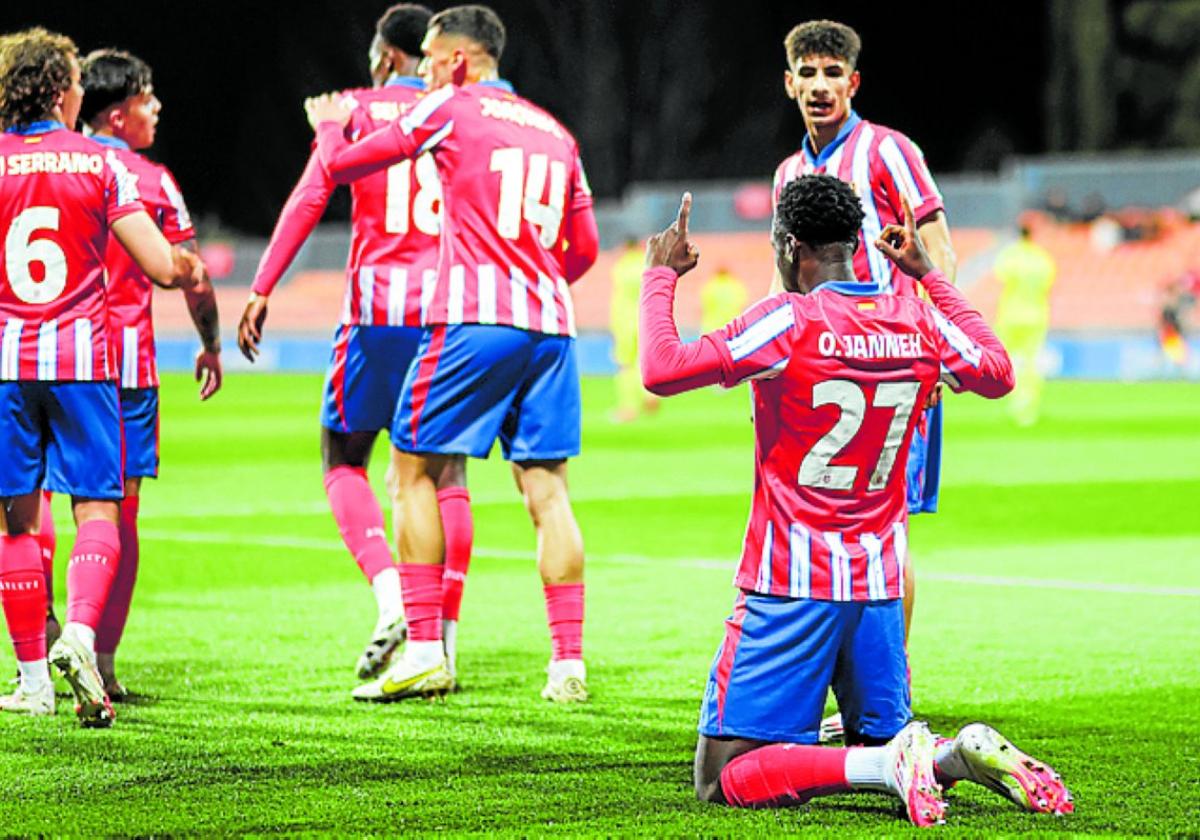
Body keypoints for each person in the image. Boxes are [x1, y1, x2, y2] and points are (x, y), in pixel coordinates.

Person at [639, 175, 1070, 825]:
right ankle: (952, 756)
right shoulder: (917, 319)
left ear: (790, 247)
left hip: (792, 581)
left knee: (722, 775)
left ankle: (889, 766)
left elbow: (662, 368)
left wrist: (660, 277)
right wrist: (929, 275)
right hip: (879, 587)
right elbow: (998, 371)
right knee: (876, 736)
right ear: (856, 244)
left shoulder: (790, 319)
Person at [305, 3, 599, 703]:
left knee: (411, 470)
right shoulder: (557, 133)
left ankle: (427, 650)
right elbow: (582, 249)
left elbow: (348, 166)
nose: (426, 72)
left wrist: (324, 129)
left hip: (474, 318)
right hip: (551, 325)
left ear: (460, 62)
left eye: (433, 61)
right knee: (547, 491)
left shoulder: (450, 108)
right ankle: (567, 666)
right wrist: (535, 284)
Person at [237, 4, 476, 687]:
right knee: (445, 474)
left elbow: (313, 194)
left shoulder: (356, 111)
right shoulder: (462, 112)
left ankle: (392, 598)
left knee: (343, 459)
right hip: (445, 312)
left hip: (375, 314)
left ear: (388, 55)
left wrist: (262, 286)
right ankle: (442, 642)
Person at [0, 28, 202, 725]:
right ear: (60, 90)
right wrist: (188, 268)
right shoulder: (100, 162)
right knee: (97, 510)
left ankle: (33, 681)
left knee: (19, 523)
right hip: (85, 361)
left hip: (6, 361)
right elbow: (158, 265)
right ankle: (82, 638)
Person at [773, 20, 958, 737]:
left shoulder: (889, 151)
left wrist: (936, 344)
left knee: (888, 534)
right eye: (806, 73)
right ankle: (847, 697)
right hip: (817, 378)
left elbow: (935, 247)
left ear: (853, 82)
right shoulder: (790, 174)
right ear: (789, 83)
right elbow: (784, 280)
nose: (819, 85)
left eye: (832, 72)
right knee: (822, 533)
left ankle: (889, 698)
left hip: (890, 370)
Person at [73, 47, 223, 699]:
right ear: (115, 114)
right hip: (122, 367)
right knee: (116, 518)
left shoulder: (23, 165)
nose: (157, 106)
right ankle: (98, 659)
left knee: (23, 512)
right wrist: (211, 343)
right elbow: (187, 272)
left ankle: (36, 655)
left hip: (34, 360)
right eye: (146, 96)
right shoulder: (150, 181)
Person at [993, 222, 1055, 425]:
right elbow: (1048, 287)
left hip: (1010, 315)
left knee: (1010, 360)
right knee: (1032, 362)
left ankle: (1014, 402)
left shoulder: (1011, 256)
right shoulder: (1042, 258)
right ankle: (1029, 404)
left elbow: (1001, 280)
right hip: (1036, 316)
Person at [609, 235, 658, 422]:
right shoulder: (647, 266)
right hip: (645, 320)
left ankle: (627, 408)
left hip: (624, 321)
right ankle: (649, 395)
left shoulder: (620, 267)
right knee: (644, 362)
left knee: (625, 365)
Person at [700, 265, 748, 335]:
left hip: (712, 328)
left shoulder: (711, 286)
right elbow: (742, 304)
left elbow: (704, 307)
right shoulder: (736, 286)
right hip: (731, 328)